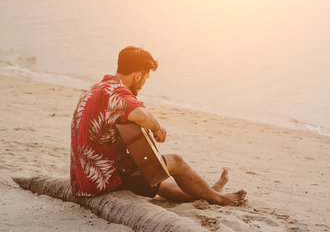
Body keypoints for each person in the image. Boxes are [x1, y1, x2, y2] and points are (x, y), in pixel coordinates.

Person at [70, 46, 246, 206]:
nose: (145, 82)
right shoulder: (117, 93)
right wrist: (157, 129)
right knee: (176, 161)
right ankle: (218, 198)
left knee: (158, 181)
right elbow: (142, 115)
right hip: (103, 179)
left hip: (83, 178)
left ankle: (208, 192)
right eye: (146, 77)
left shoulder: (95, 88)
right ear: (137, 76)